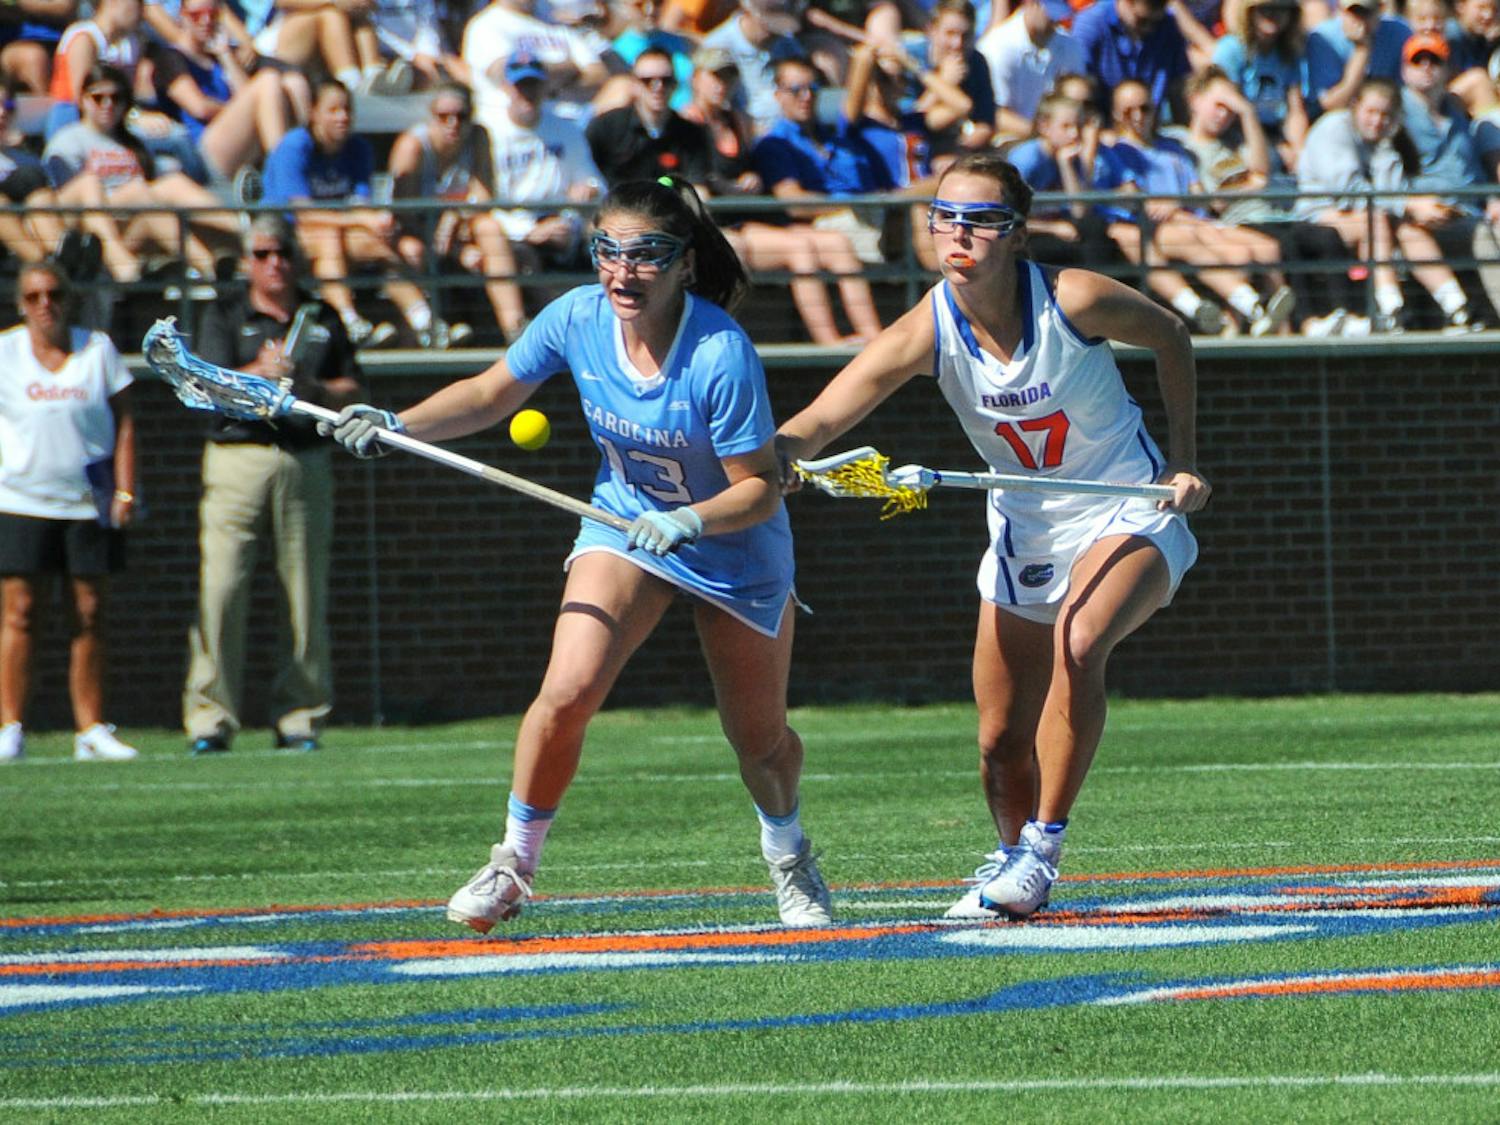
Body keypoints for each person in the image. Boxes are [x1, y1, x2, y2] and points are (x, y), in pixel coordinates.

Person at [322, 177, 834, 932]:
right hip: (622, 524)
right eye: (608, 251)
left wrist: (690, 519)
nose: (624, 271)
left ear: (685, 264)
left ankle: (790, 857)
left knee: (758, 740)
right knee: (565, 691)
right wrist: (399, 424)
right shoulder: (576, 317)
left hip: (733, 548)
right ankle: (512, 863)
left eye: (647, 254)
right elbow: (491, 392)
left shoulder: (721, 352)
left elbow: (757, 490)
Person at [775, 152, 1210, 920]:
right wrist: (770, 457)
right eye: (944, 217)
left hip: (1127, 507)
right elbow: (821, 418)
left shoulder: (1074, 298)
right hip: (1024, 529)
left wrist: (1184, 460)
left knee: (1079, 639)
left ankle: (1042, 848)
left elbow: (1171, 335)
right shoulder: (929, 327)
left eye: (979, 220)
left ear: (1016, 233)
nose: (958, 234)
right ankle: (1011, 858)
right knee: (1000, 736)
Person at [182, 215, 362, 756]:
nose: (274, 262)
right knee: (222, 589)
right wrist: (257, 373)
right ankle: (210, 718)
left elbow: (354, 388)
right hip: (237, 457)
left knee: (304, 593)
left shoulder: (322, 315)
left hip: (305, 459)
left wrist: (305, 383)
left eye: (282, 252)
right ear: (248, 261)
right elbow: (203, 384)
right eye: (262, 254)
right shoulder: (226, 313)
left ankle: (299, 716)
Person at [0, 261, 139, 764]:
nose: (46, 305)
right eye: (34, 296)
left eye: (54, 294)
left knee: (89, 612)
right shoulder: (5, 352)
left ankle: (91, 728)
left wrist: (125, 492)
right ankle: (10, 727)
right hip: (20, 501)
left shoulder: (96, 350)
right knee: (20, 612)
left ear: (69, 298)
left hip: (87, 502)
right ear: (20, 303)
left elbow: (125, 421)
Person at [262, 78, 455, 349]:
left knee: (395, 245)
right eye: (333, 110)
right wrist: (360, 219)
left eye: (347, 110)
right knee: (329, 237)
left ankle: (424, 322)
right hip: (288, 238)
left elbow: (360, 205)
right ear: (314, 112)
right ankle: (349, 321)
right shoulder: (294, 146)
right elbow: (302, 213)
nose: (343, 117)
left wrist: (377, 223)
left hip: (341, 236)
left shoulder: (358, 148)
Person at [1297, 76, 1481, 332]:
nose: (1377, 120)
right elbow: (1348, 192)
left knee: (1408, 227)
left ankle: (1458, 308)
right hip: (1318, 215)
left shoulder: (1384, 140)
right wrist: (1410, 205)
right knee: (1378, 219)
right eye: (1371, 112)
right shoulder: (1333, 128)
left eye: (1385, 115)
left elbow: (1392, 192)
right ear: (1355, 106)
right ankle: (1391, 308)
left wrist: (1386, 147)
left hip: (1368, 216)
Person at [387, 82, 507, 342]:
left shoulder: (478, 137)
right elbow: (404, 213)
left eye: (461, 116)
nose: (453, 124)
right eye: (444, 116)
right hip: (415, 231)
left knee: (491, 230)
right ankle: (429, 330)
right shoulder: (414, 147)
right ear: (432, 116)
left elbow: (485, 198)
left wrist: (454, 216)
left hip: (457, 230)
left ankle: (513, 328)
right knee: (413, 251)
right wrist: (455, 248)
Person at [585, 45, 713, 187]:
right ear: (634, 85)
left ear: (675, 85)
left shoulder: (691, 134)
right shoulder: (606, 127)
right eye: (647, 80)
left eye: (665, 80)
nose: (657, 87)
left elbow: (697, 185)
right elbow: (585, 176)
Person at [977, 0, 1086, 141]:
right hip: (1008, 141)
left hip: (1058, 138)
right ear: (1030, 3)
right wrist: (1042, 136)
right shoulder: (997, 47)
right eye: (1049, 14)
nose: (1054, 22)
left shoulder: (1070, 46)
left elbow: (1077, 100)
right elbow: (995, 113)